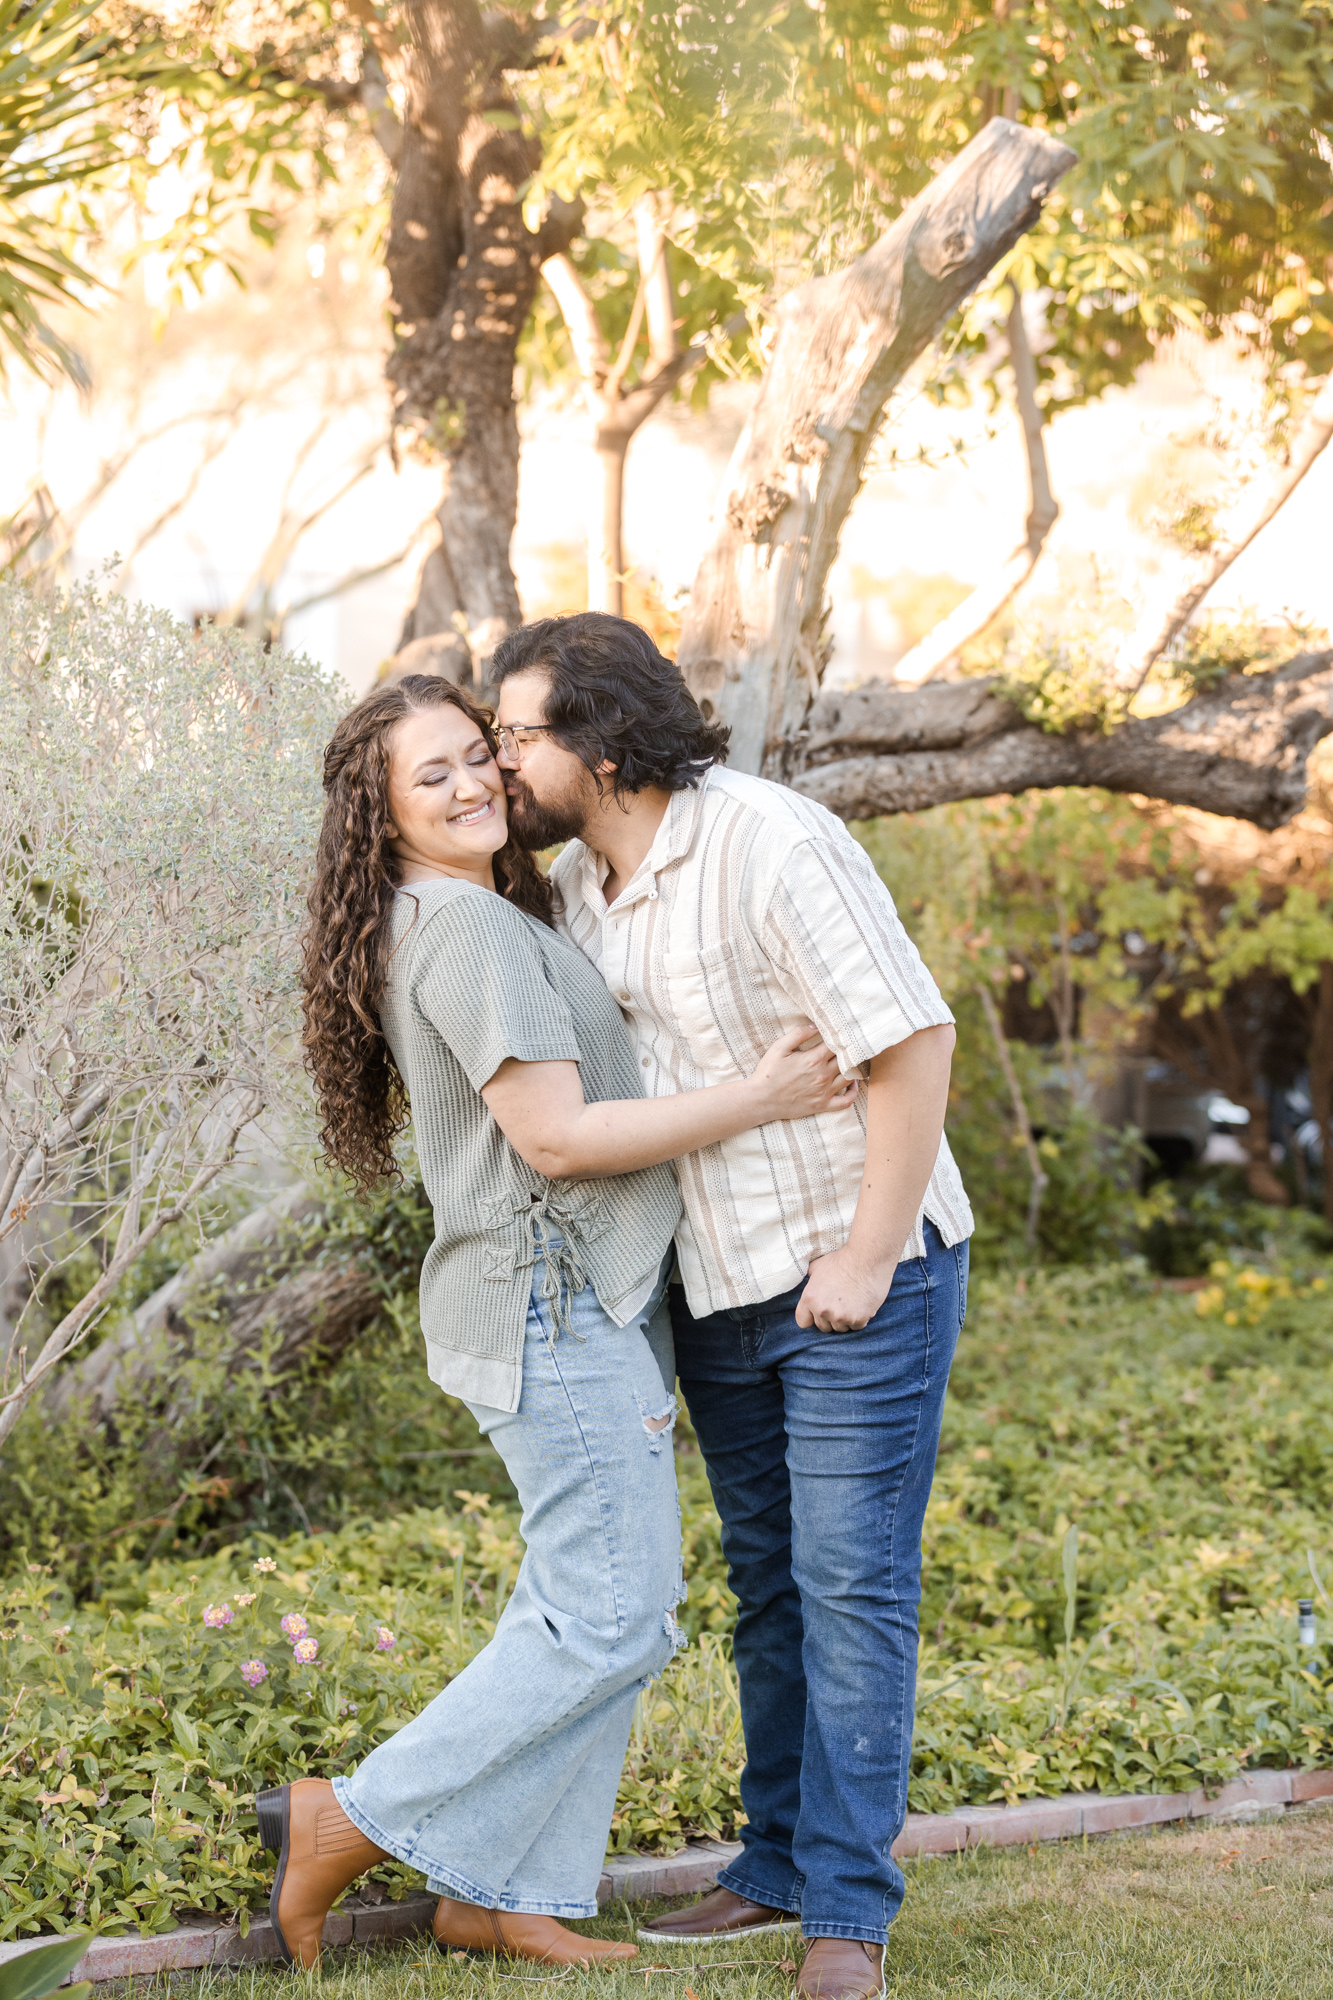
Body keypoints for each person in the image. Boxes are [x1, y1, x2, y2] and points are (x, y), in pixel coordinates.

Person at [263, 673, 855, 1973]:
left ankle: (502, 1893)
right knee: (609, 1617)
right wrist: (759, 1097)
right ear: (377, 811)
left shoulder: (470, 912)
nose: (474, 782)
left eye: (478, 755)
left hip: (565, 1303)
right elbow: (556, 1137)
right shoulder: (464, 933)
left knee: (610, 1612)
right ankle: (347, 1819)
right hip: (547, 1308)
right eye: (434, 774)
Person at [492, 614, 974, 2000]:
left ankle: (846, 1914)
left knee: (851, 1587)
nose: (504, 760)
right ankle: (773, 1865)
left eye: (520, 734)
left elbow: (910, 1037)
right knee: (770, 1591)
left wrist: (869, 1257)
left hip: (850, 1280)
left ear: (598, 737)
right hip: (715, 1290)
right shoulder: (582, 888)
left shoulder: (769, 841)